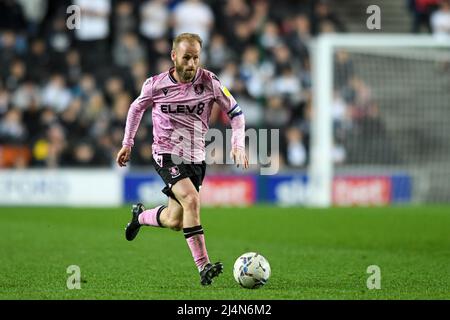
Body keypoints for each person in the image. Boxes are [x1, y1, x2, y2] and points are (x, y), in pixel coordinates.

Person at [116, 33, 249, 286]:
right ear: (174, 56)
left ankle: (140, 216)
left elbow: (236, 113)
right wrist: (127, 143)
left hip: (196, 157)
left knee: (175, 220)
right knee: (191, 199)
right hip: (166, 153)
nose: (191, 64)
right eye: (186, 57)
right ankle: (204, 267)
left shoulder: (210, 82)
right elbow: (135, 109)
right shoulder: (155, 84)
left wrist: (237, 145)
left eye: (196, 58)